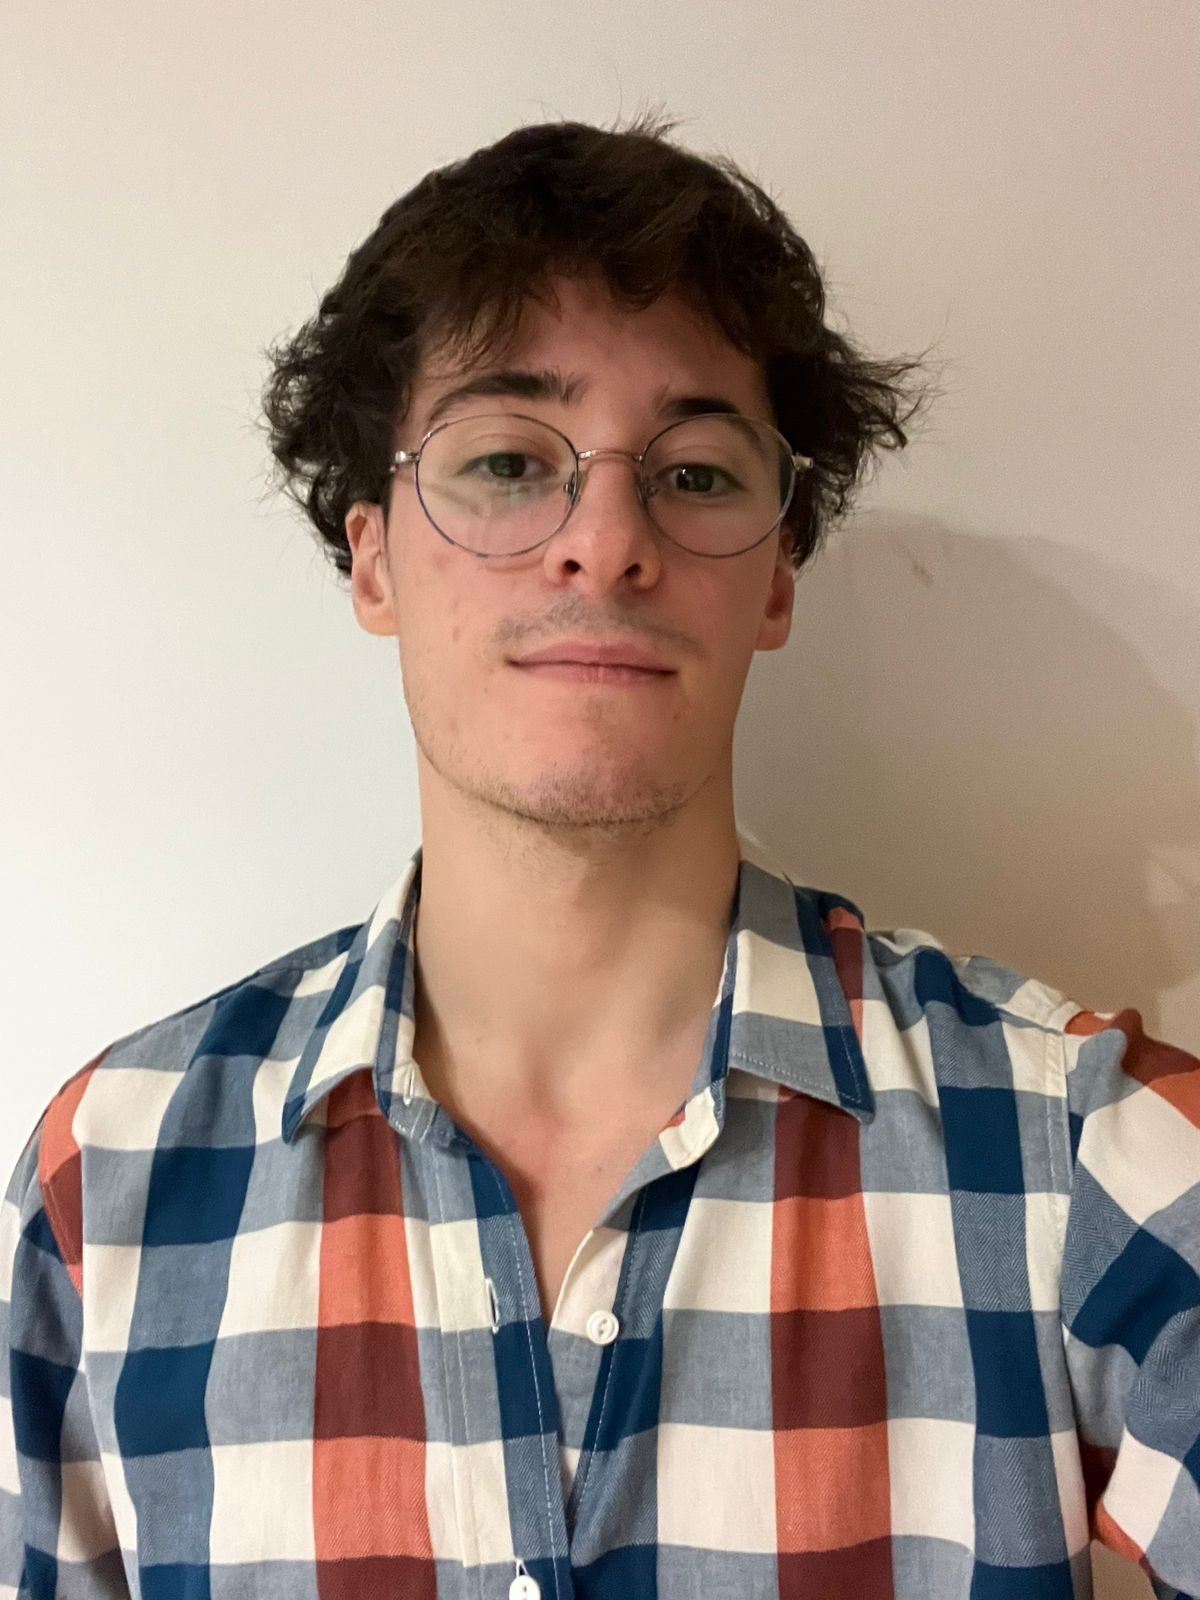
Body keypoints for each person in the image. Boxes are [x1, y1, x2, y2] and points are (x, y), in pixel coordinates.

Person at [2, 115, 1196, 1600]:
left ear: (777, 578)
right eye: (509, 460)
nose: (608, 539)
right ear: (372, 556)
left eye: (694, 473)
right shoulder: (110, 1186)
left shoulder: (1084, 1156)